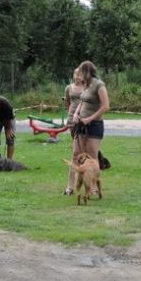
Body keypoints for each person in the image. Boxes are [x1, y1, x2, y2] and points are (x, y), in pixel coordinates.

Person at [69, 61, 110, 193]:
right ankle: (71, 187)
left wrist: (90, 119)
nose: (79, 75)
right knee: (76, 154)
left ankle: (93, 187)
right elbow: (81, 101)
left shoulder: (99, 85)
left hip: (94, 125)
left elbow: (106, 106)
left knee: (92, 156)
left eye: (81, 72)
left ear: (87, 72)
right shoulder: (86, 85)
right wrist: (76, 113)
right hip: (80, 124)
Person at [64, 67, 86, 195]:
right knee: (76, 152)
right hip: (72, 121)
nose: (77, 77)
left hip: (85, 120)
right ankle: (70, 186)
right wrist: (71, 115)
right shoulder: (69, 88)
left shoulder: (87, 87)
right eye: (75, 74)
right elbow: (68, 102)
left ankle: (88, 181)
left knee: (85, 151)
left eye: (80, 75)